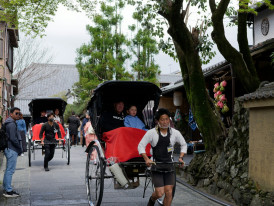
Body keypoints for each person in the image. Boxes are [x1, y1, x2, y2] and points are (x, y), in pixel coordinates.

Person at [138, 108, 187, 206]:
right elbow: (141, 145)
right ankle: (152, 199)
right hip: (156, 166)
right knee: (159, 193)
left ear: (169, 120)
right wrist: (146, 159)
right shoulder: (151, 133)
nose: (165, 122)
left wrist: (181, 157)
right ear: (158, 121)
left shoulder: (174, 132)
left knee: (169, 193)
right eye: (162, 119)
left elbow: (184, 144)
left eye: (167, 119)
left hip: (169, 166)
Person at [3, 107, 22, 197]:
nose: (18, 115)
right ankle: (8, 190)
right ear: (11, 114)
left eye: (19, 113)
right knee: (10, 170)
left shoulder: (9, 122)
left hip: (9, 148)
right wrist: (19, 148)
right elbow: (13, 138)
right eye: (16, 113)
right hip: (11, 149)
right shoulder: (11, 124)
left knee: (8, 170)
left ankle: (6, 187)